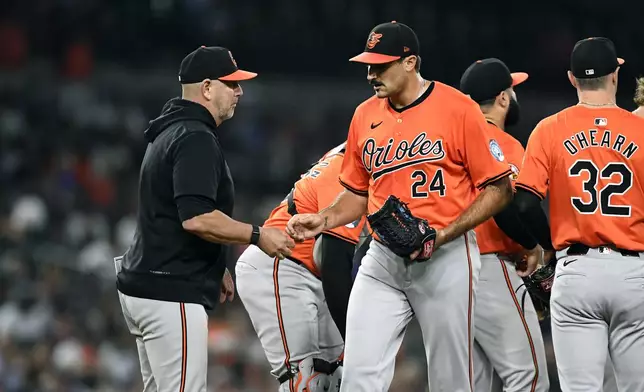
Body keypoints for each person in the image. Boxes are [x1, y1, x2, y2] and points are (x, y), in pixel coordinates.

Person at [286, 21, 531, 392]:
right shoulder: (364, 115)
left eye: (380, 66)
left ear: (410, 62)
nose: (371, 75)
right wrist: (322, 218)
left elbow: (499, 190)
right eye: (369, 66)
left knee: (451, 379)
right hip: (383, 258)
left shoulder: (457, 108)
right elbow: (357, 193)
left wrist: (445, 233)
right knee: (358, 374)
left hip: (446, 257)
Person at [114, 46, 295, 392]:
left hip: (148, 284)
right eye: (232, 84)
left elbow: (171, 212)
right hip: (170, 291)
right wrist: (258, 235)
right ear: (208, 88)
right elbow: (196, 218)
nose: (240, 91)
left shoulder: (171, 129)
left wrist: (215, 266)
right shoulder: (195, 136)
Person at [508, 37, 644, 391]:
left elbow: (522, 202)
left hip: (577, 271)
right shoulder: (641, 131)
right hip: (635, 273)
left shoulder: (549, 129)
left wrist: (549, 245)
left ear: (571, 78)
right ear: (616, 74)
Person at [236, 142, 366, 391]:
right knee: (308, 380)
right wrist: (356, 337)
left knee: (339, 378)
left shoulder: (358, 160)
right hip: (281, 265)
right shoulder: (346, 168)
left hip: (313, 274)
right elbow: (332, 260)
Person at [458, 58, 550, 392]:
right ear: (502, 99)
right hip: (489, 268)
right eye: (513, 90)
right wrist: (533, 245)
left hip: (447, 274)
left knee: (473, 383)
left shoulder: (449, 140)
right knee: (529, 377)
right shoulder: (504, 144)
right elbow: (509, 209)